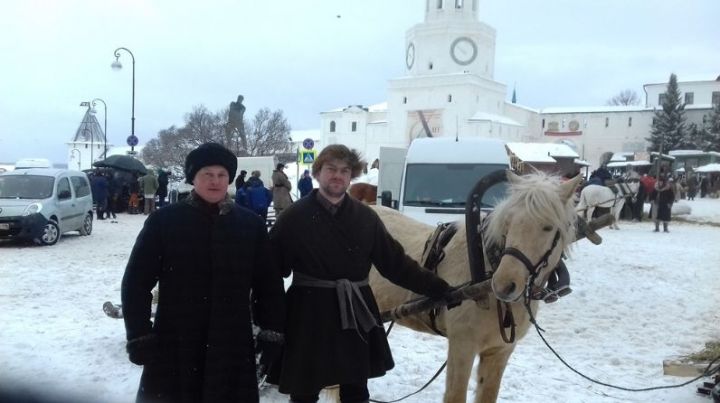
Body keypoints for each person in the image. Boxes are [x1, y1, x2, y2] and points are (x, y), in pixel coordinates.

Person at [267, 144, 455, 403]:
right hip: (308, 313)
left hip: (354, 310)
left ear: (352, 175)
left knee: (355, 390)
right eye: (331, 169)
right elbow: (270, 271)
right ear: (318, 172)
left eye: (344, 170)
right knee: (304, 391)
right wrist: (270, 319)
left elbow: (396, 264)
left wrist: (440, 288)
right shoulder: (294, 218)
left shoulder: (365, 218)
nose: (337, 176)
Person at [121, 142, 286, 403]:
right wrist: (139, 334)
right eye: (207, 174)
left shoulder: (249, 225)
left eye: (221, 175)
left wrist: (272, 330)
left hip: (232, 344)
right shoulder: (164, 222)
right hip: (176, 341)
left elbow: (269, 285)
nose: (215, 181)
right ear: (193, 179)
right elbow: (136, 282)